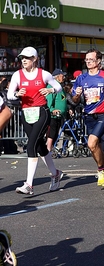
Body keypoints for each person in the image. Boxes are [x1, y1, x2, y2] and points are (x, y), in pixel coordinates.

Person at [7, 46, 64, 195]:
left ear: (35, 59)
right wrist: (17, 93)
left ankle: (28, 184)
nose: (24, 60)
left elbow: (58, 87)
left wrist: (50, 90)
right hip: (26, 113)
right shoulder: (17, 76)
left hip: (42, 112)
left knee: (31, 145)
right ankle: (55, 173)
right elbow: (9, 95)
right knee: (39, 147)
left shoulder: (44, 74)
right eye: (22, 58)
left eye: (27, 58)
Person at [72, 48, 104, 187]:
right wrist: (77, 95)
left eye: (91, 60)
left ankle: (100, 170)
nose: (88, 62)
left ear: (98, 61)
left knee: (91, 143)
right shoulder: (81, 78)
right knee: (96, 147)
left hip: (103, 114)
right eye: (86, 60)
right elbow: (75, 100)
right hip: (88, 115)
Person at [46, 69, 67, 151]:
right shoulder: (51, 86)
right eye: (62, 75)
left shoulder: (60, 87)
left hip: (59, 115)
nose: (64, 77)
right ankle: (48, 149)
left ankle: (51, 148)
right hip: (53, 115)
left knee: (56, 133)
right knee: (52, 133)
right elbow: (49, 99)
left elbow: (62, 99)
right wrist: (52, 109)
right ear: (57, 77)